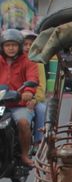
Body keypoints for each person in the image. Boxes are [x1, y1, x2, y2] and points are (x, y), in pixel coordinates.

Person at [0, 29, 39, 166]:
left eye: (14, 45)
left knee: (23, 122)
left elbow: (33, 77)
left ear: (20, 46)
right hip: (1, 106)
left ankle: (24, 155)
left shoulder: (28, 60)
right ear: (2, 46)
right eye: (7, 45)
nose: (11, 48)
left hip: (19, 105)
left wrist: (28, 91)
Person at [21, 30, 47, 145]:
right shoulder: (10, 61)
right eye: (25, 44)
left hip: (32, 98)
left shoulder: (38, 62)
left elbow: (41, 86)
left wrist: (34, 99)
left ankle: (38, 141)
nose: (28, 47)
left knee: (41, 109)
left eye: (31, 44)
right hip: (12, 100)